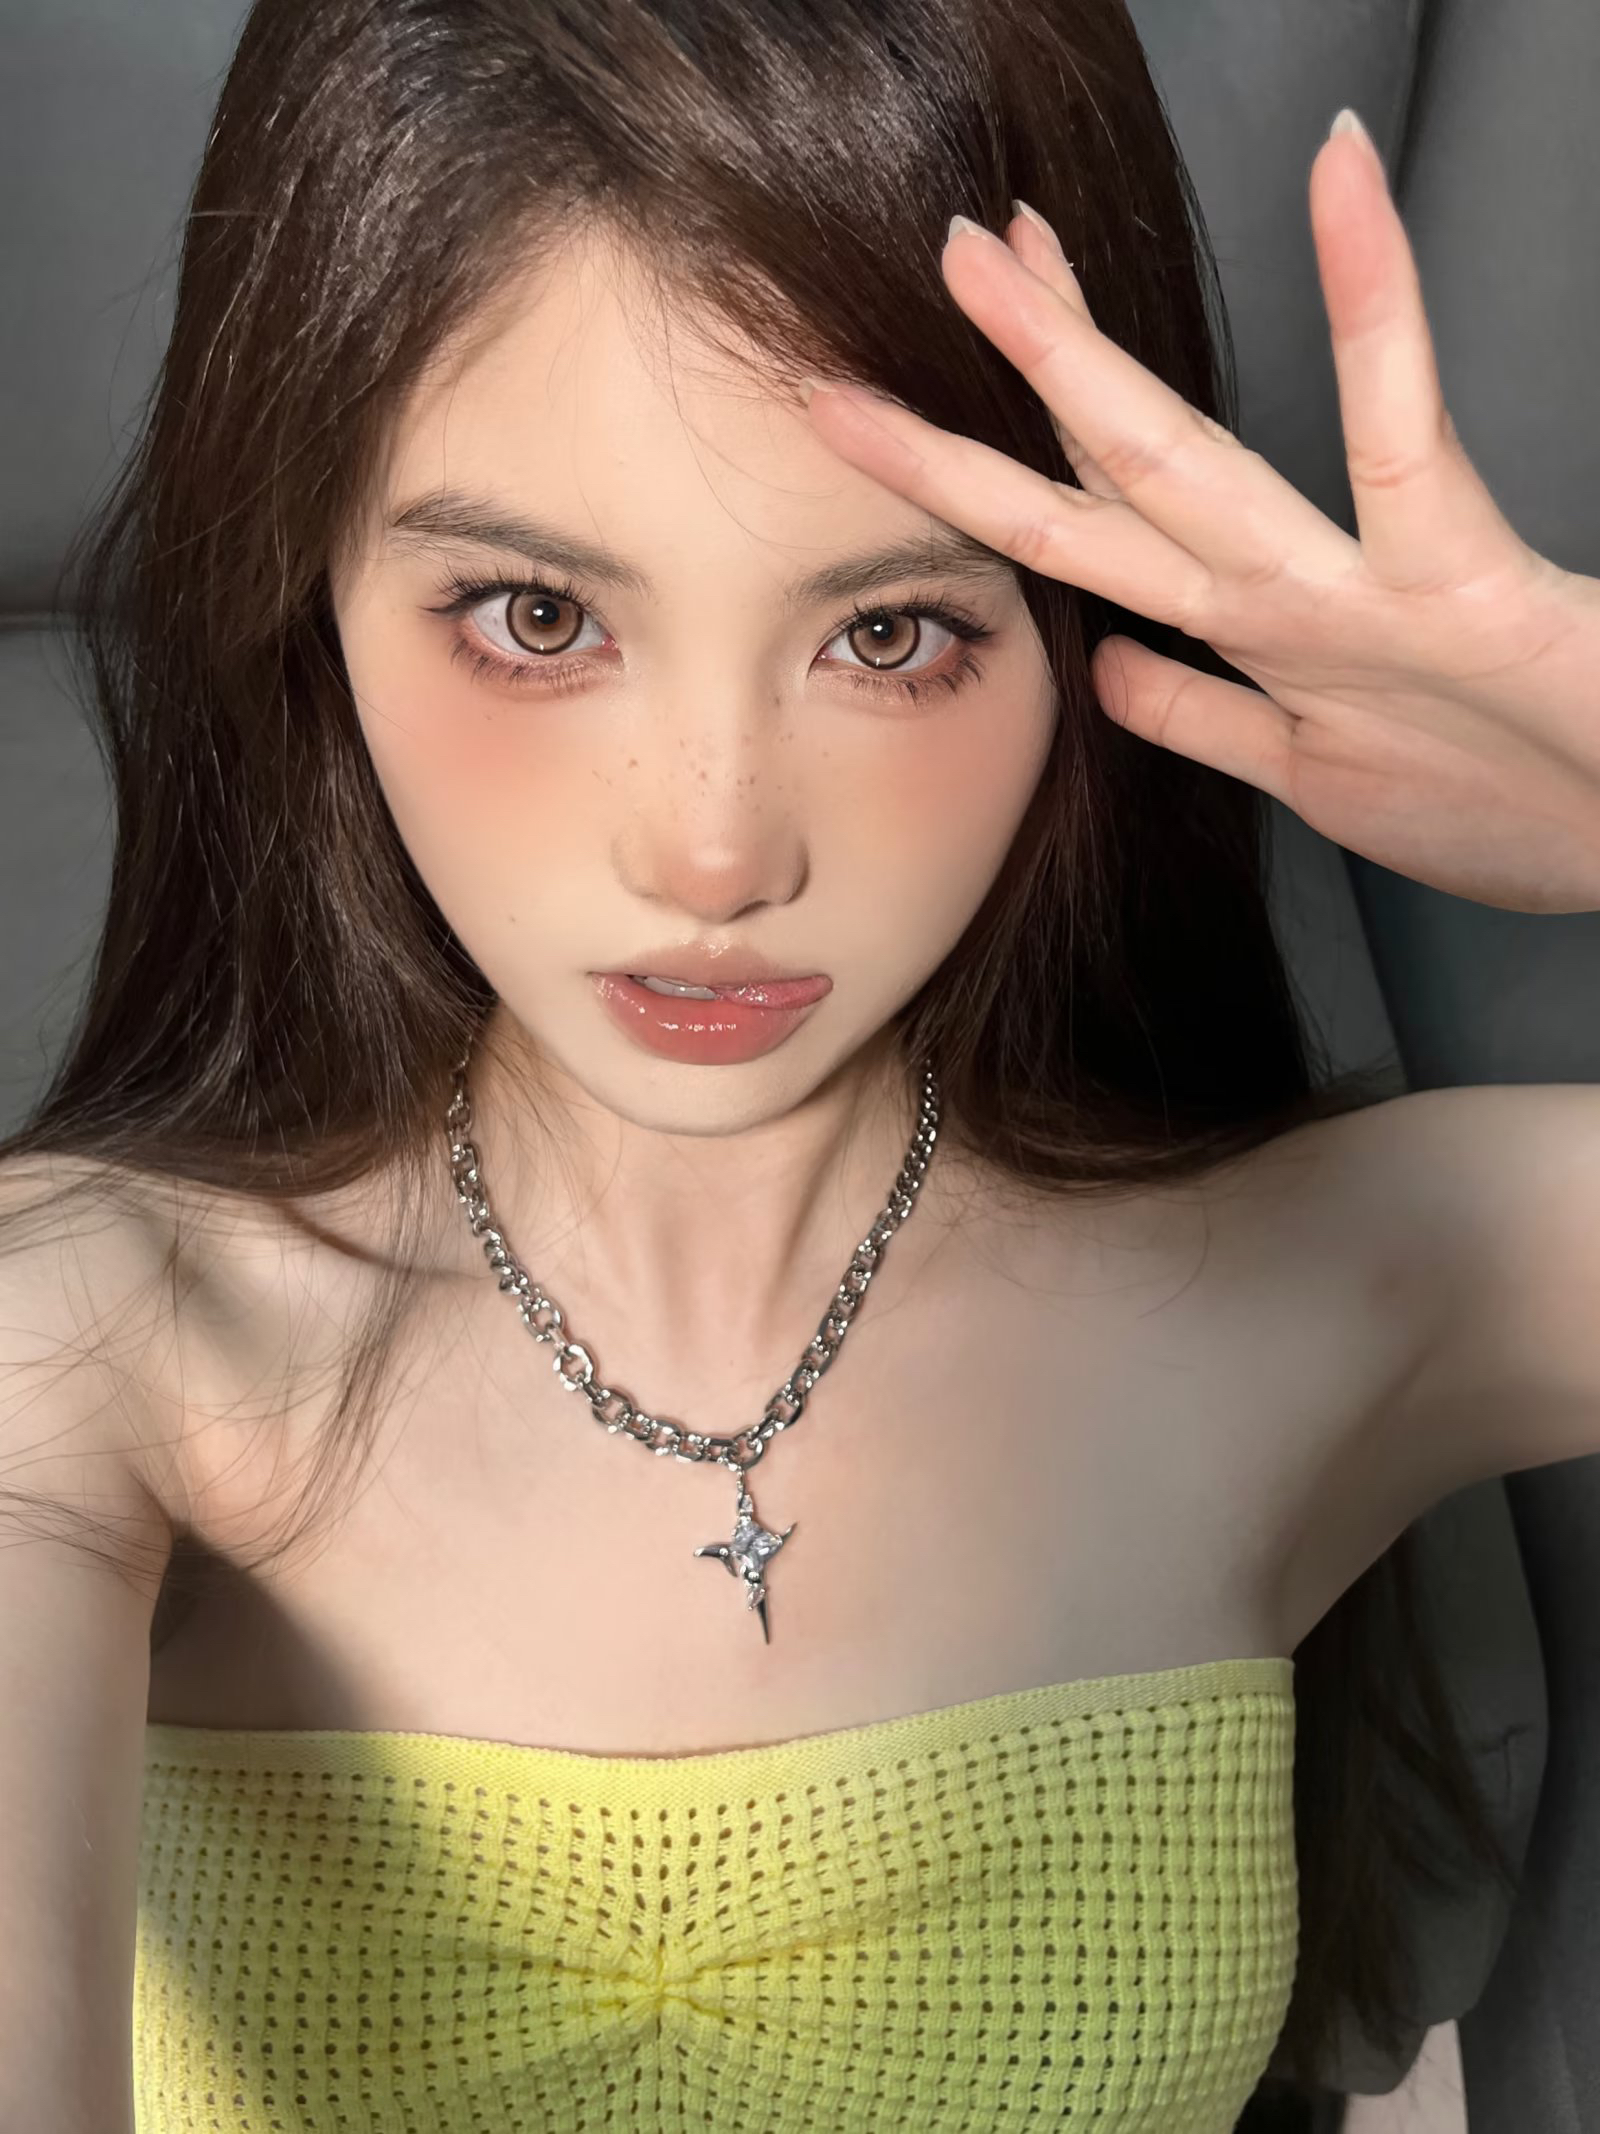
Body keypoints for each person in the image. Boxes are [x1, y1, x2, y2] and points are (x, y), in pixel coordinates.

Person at [2, 0, 1597, 2129]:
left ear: (1073, 639)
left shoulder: (1334, 1287)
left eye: (888, 633)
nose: (715, 853)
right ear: (314, 595)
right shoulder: (78, 1345)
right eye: (536, 618)